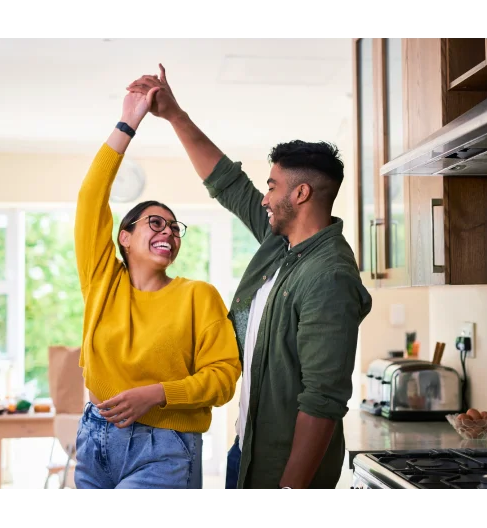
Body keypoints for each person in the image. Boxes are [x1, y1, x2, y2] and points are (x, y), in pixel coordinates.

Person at [127, 65, 373, 493]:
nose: (264, 197)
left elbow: (323, 401)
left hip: (284, 472)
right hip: (249, 450)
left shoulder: (328, 277)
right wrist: (173, 114)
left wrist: (289, 492)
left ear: (300, 195)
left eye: (273, 186)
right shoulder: (282, 244)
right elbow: (228, 183)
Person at [72, 83, 242, 491]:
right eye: (155, 222)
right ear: (124, 238)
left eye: (174, 226)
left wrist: (157, 394)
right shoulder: (102, 283)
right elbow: (90, 198)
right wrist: (128, 122)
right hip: (94, 438)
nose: (168, 231)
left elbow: (223, 377)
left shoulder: (197, 296)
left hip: (165, 448)